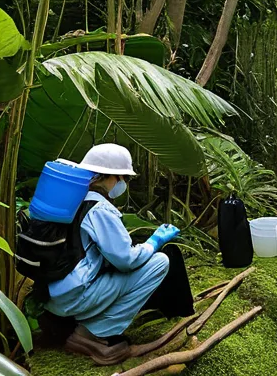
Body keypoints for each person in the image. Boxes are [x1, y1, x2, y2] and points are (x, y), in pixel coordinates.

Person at [45, 144, 195, 365]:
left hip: (53, 293)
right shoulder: (99, 209)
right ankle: (92, 334)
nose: (123, 183)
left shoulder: (72, 199)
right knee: (160, 262)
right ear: (109, 177)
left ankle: (87, 323)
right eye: (123, 178)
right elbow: (126, 260)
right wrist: (155, 241)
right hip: (74, 297)